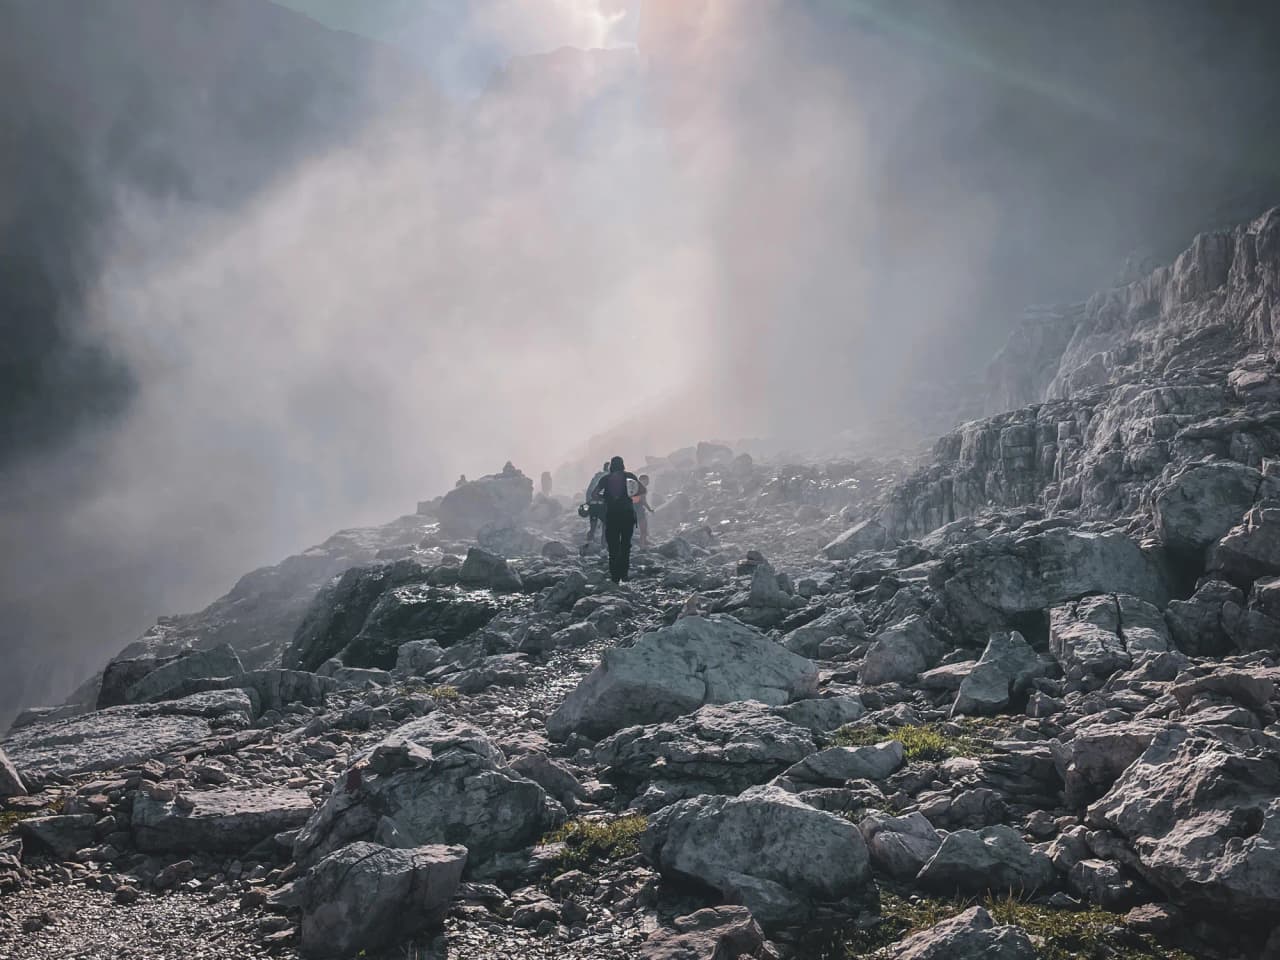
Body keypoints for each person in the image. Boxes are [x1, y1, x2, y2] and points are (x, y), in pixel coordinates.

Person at [591, 456, 646, 583]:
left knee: (613, 546)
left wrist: (605, 499)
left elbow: (594, 494)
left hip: (611, 516)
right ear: (622, 465)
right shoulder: (630, 476)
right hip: (627, 515)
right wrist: (632, 497)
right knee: (626, 545)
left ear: (611, 466)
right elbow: (641, 491)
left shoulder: (605, 479)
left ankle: (615, 576)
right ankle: (624, 574)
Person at [584, 461, 609, 547]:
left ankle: (588, 544)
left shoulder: (596, 477)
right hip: (602, 506)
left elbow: (589, 492)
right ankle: (604, 546)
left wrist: (588, 503)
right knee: (605, 526)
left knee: (593, 527)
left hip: (593, 506)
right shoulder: (608, 478)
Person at [632, 473, 654, 548]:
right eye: (647, 480)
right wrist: (650, 509)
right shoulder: (642, 488)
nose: (648, 482)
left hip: (631, 509)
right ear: (643, 480)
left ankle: (643, 542)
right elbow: (643, 500)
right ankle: (642, 545)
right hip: (638, 509)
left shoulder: (634, 486)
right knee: (643, 529)